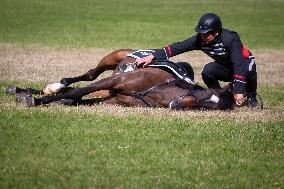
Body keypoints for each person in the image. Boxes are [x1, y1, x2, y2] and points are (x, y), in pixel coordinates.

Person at [137, 13, 257, 107]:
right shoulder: (200, 40)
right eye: (201, 33)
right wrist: (154, 55)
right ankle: (220, 94)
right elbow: (178, 47)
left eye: (205, 34)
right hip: (225, 66)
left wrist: (239, 90)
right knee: (207, 71)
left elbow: (238, 64)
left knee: (248, 69)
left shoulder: (230, 39)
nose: (202, 36)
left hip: (244, 64)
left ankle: (252, 96)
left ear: (215, 32)